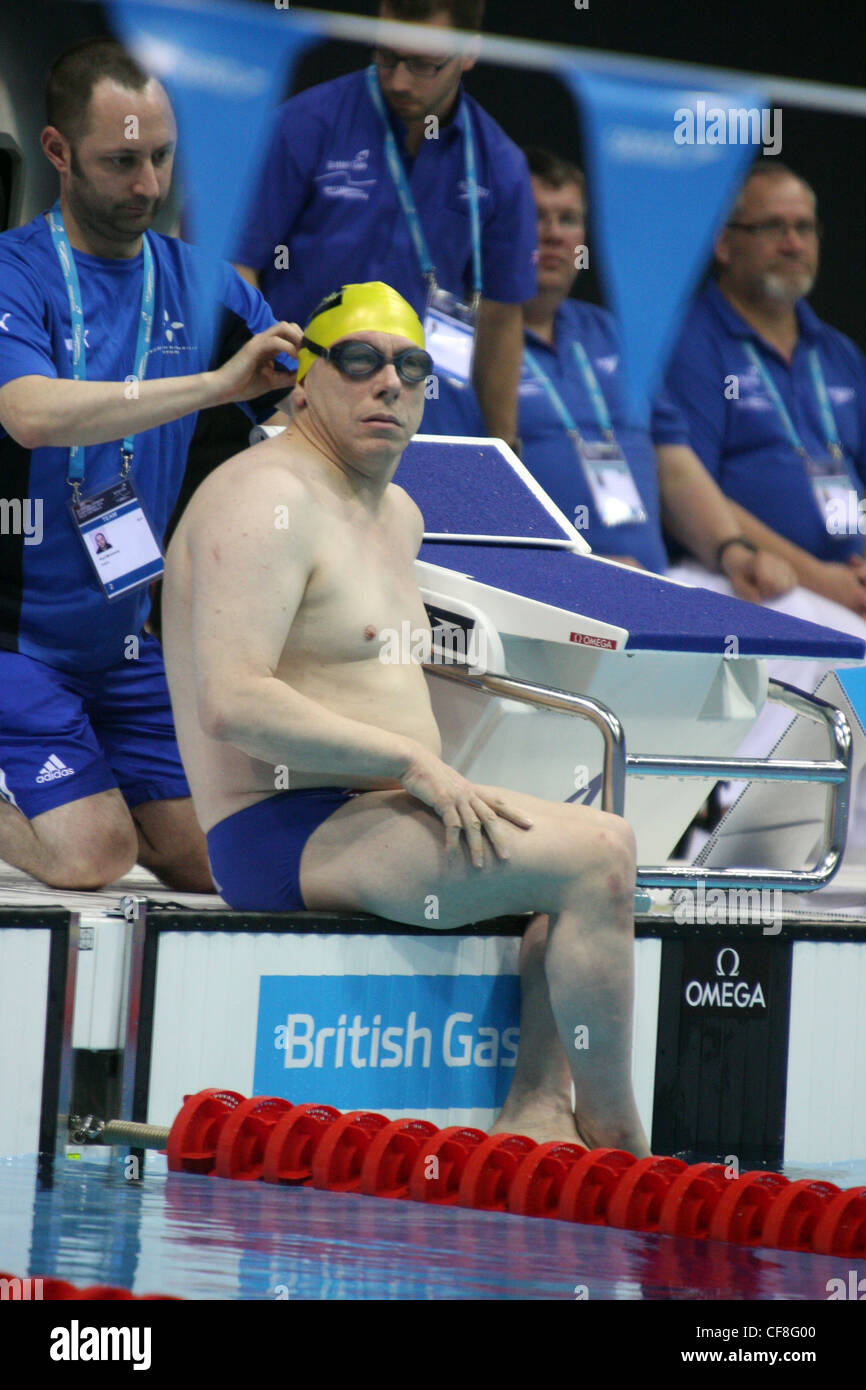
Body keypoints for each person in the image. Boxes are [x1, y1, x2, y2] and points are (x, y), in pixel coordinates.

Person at [162, 281, 650, 1154]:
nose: (389, 383)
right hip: (287, 828)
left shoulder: (397, 514)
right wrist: (414, 761)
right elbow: (231, 699)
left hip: (379, 814)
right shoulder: (262, 499)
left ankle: (538, 1107)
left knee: (577, 850)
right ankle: (620, 1146)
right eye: (359, 361)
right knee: (599, 855)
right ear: (301, 380)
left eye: (412, 366)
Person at [0, 38, 301, 891]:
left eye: (163, 157)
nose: (149, 186)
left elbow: (297, 430)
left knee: (222, 861)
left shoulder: (209, 291)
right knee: (92, 853)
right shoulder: (14, 274)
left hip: (127, 648)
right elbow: (26, 414)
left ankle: (75, 772)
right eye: (121, 161)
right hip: (14, 641)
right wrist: (208, 386)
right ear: (56, 152)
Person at [437, 147, 796, 598]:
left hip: (648, 588)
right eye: (535, 216)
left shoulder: (609, 333)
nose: (552, 235)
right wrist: (573, 567)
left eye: (568, 219)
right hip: (535, 596)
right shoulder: (453, 343)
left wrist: (733, 550)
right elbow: (457, 497)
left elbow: (674, 465)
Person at [233, 0, 535, 452]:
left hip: (420, 421)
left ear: (469, 51)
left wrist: (504, 444)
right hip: (299, 409)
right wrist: (271, 387)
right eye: (386, 56)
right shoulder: (304, 125)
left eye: (421, 64)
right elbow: (238, 266)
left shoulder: (501, 165)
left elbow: (501, 317)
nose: (397, 80)